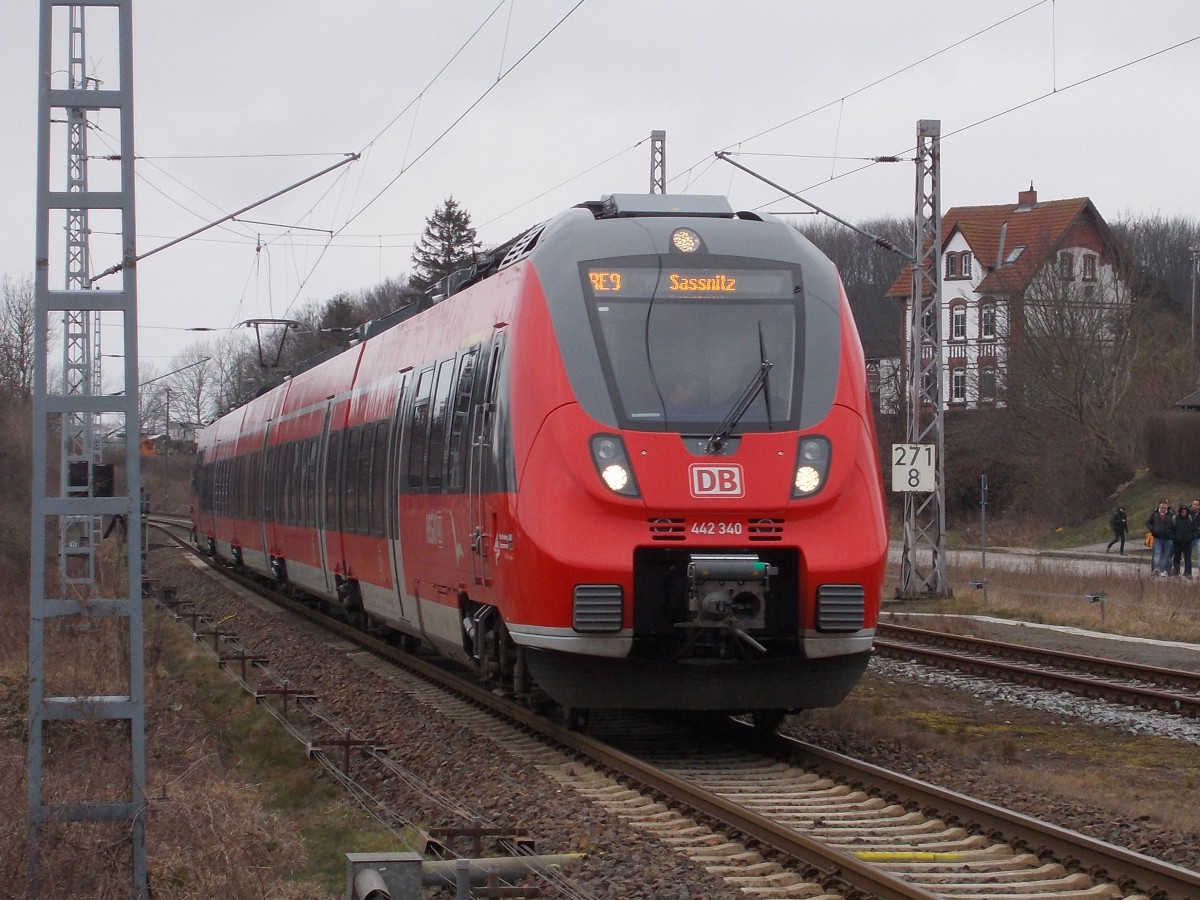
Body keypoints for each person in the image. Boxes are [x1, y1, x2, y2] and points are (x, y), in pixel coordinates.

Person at [1146, 499, 1174, 576]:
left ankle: (1164, 569)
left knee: (1166, 554)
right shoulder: (1154, 513)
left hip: (1167, 538)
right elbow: (1148, 522)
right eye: (1162, 507)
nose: (1163, 509)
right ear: (1159, 506)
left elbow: (1174, 524)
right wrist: (1152, 530)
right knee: (1157, 553)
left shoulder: (1171, 514)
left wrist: (1172, 533)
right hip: (1157, 537)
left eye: (1165, 507)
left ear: (1167, 507)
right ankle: (1156, 569)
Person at [1172, 504, 1194, 577]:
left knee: (1188, 558)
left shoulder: (1190, 518)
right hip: (1177, 542)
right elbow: (1171, 529)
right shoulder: (1175, 518)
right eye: (1182, 512)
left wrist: (1191, 537)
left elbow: (1192, 528)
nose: (1184, 513)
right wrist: (1174, 538)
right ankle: (1176, 572)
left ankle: (1188, 572)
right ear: (1180, 512)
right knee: (1177, 557)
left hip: (1187, 542)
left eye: (1185, 512)